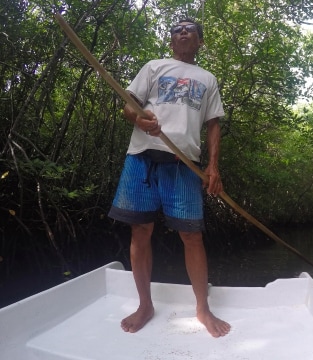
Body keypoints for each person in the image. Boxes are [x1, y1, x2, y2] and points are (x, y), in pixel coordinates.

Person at [108, 18, 231, 338]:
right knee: (140, 230)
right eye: (177, 30)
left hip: (185, 164)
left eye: (190, 29)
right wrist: (140, 119)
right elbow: (127, 107)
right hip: (143, 158)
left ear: (200, 41)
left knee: (192, 236)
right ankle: (145, 304)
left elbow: (213, 124)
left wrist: (213, 168)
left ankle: (202, 309)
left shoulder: (207, 78)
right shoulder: (154, 67)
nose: (183, 32)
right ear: (172, 40)